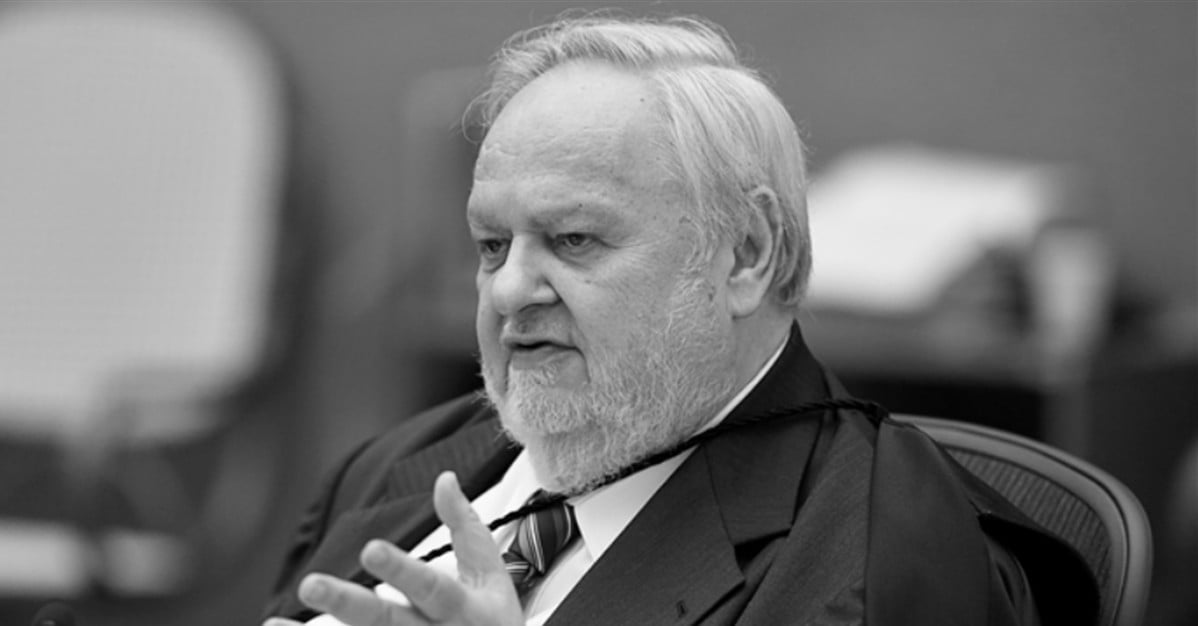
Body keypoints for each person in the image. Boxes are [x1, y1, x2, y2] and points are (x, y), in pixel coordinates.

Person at [262, 14, 1098, 626]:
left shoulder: (881, 560)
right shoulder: (391, 469)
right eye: (490, 245)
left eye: (573, 239)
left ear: (745, 255)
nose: (510, 290)